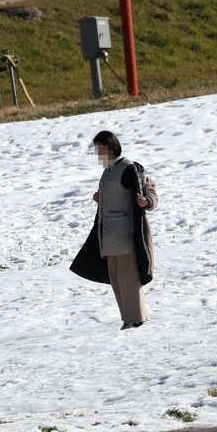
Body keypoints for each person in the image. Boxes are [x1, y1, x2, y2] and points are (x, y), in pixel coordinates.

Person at [70, 130, 159, 330]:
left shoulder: (128, 168)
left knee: (129, 278)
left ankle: (136, 318)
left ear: (110, 147)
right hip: (108, 235)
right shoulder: (108, 170)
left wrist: (147, 202)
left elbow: (147, 189)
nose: (97, 153)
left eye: (99, 148)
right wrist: (99, 198)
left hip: (124, 233)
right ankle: (128, 319)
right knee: (117, 280)